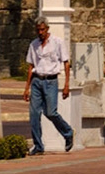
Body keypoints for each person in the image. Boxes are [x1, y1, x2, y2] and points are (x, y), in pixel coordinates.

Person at [26, 19, 74, 154]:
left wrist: (66, 85)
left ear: (47, 28)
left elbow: (66, 63)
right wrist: (27, 87)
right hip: (37, 80)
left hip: (51, 81)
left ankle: (68, 132)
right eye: (38, 30)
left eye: (42, 29)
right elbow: (31, 66)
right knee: (34, 114)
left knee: (50, 112)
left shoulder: (57, 42)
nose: (40, 32)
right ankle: (38, 145)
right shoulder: (33, 45)